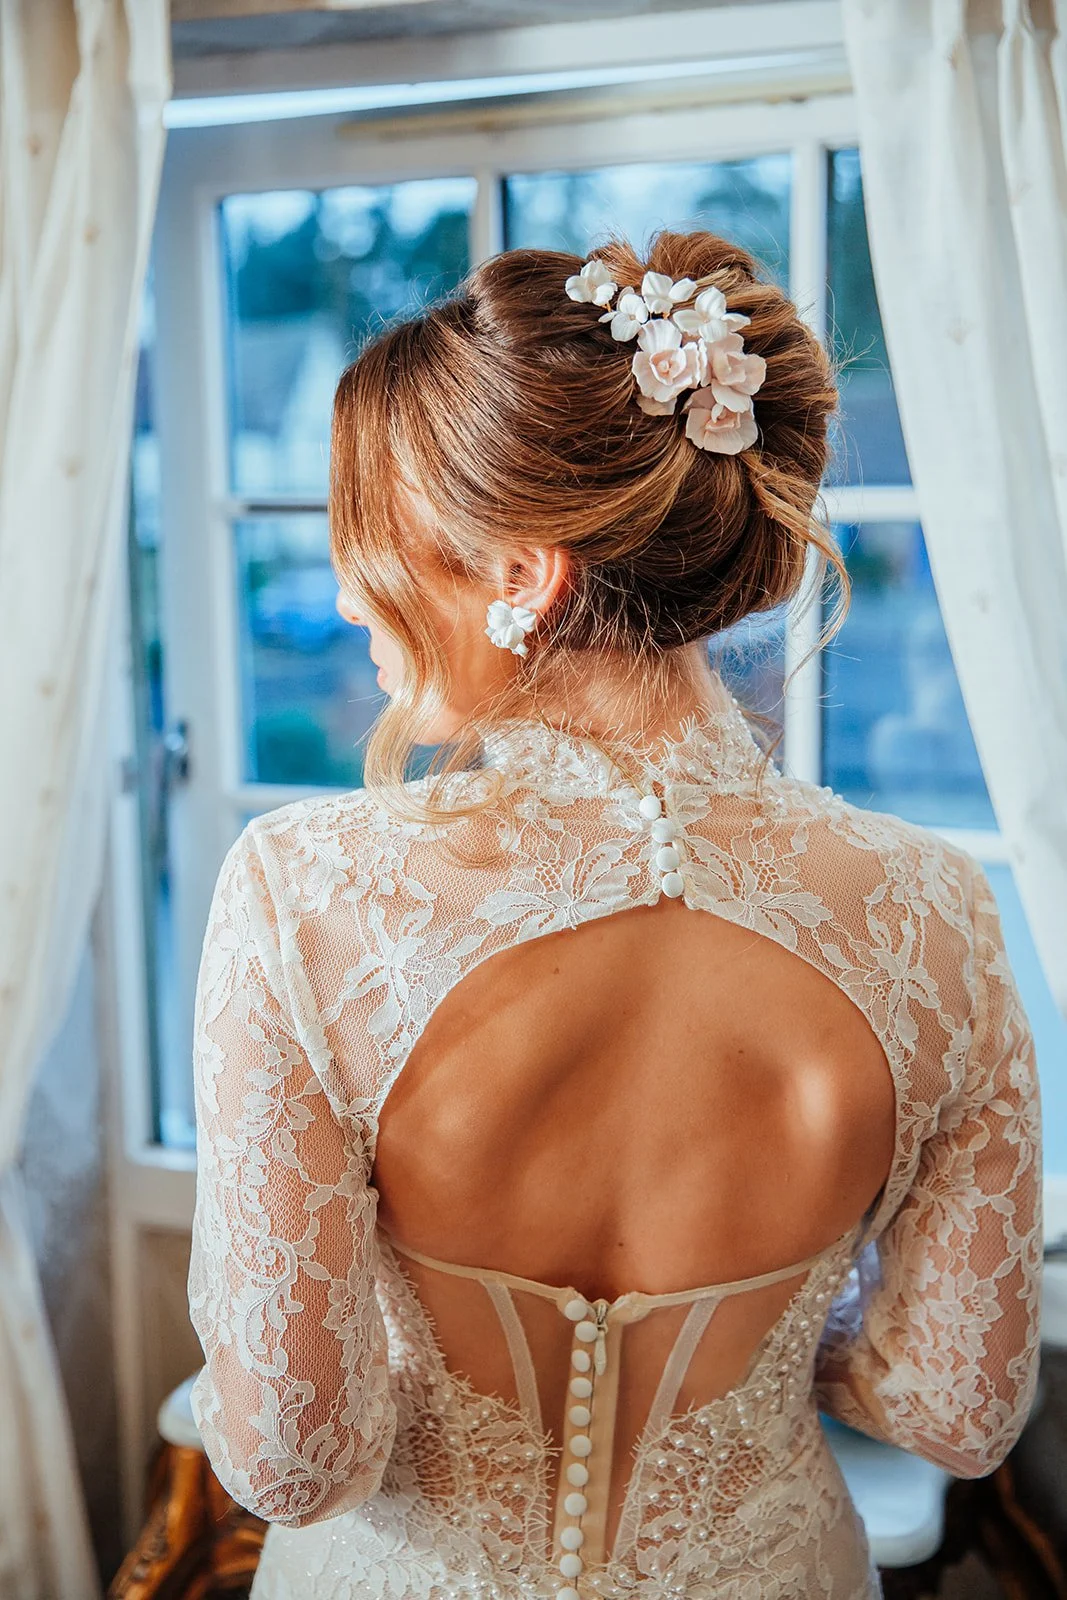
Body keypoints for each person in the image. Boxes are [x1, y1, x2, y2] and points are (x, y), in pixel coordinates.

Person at [186, 231, 1042, 1600]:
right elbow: (958, 1408)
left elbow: (295, 1458)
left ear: (522, 575)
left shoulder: (307, 892)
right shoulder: (931, 908)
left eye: (372, 544)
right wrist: (777, 1351)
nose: (347, 595)